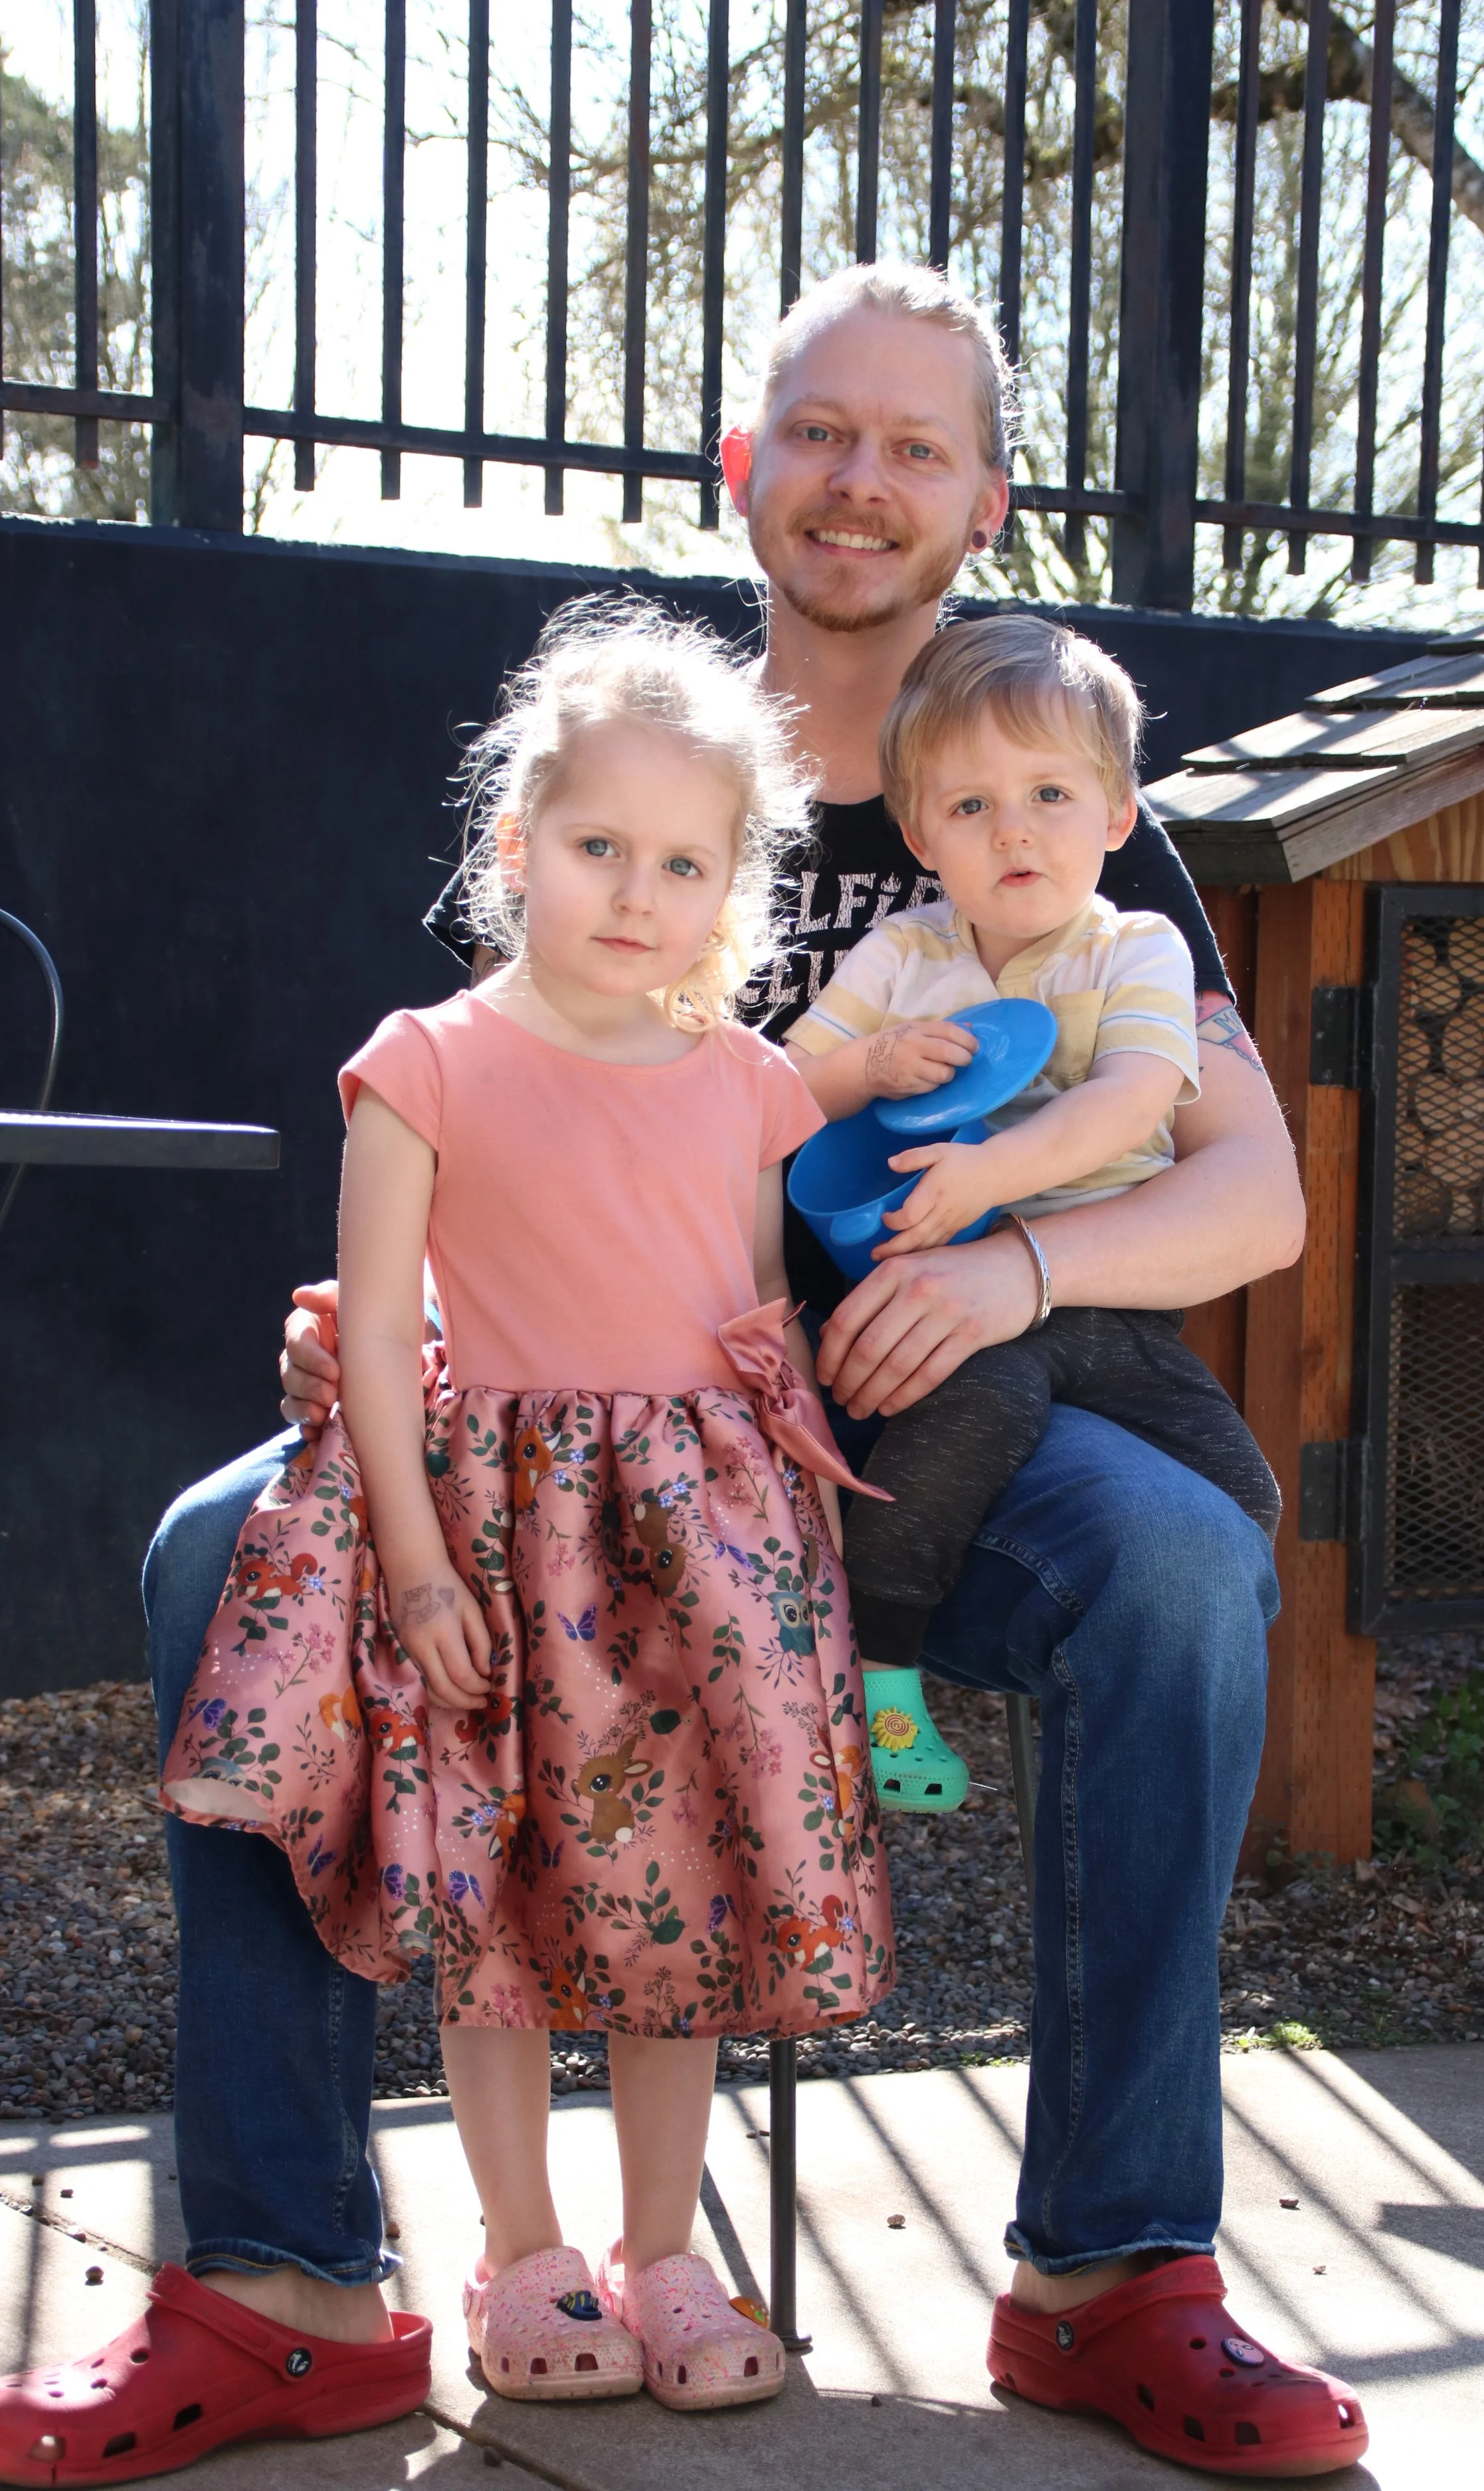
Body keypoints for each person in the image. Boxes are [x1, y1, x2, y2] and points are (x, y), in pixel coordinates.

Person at [0, 261, 1366, 2484]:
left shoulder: (1044, 781)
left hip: (951, 1437)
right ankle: (286, 2283)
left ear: (983, 500)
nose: (863, 479)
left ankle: (1113, 2277)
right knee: (197, 1553)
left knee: (1182, 1566)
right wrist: (398, 1321)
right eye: (823, 431)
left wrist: (1019, 1281)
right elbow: (505, 1114)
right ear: (743, 471)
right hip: (588, 1419)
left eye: (917, 445)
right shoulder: (645, 765)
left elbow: (1255, 1200)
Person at [153, 608, 891, 2416]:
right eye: (595, 847)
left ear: (729, 884)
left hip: (690, 1551)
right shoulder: (426, 1060)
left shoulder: (745, 1081)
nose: (634, 891)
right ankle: (522, 2242)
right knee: (491, 1901)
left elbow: (750, 1323)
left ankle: (659, 2249)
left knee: (679, 1893)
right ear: (514, 845)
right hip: (496, 1541)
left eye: (680, 861)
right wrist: (411, 1565)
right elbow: (383, 1338)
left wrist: (791, 1564)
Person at [785, 614, 1280, 1813]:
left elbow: (1132, 1099)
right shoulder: (906, 954)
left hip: (1100, 1299)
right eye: (970, 807)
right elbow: (783, 1084)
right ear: (921, 835)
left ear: (1117, 818)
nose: (1013, 829)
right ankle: (881, 1668)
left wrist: (999, 1185)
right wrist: (876, 1062)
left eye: (1050, 793)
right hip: (947, 1304)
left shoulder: (1134, 948)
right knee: (960, 1432)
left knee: (1243, 1506)